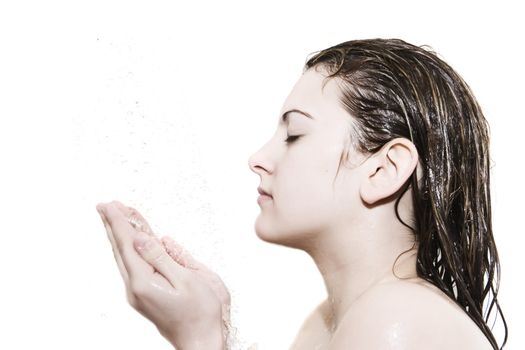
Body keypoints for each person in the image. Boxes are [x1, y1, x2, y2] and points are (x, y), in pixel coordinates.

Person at [96, 38, 508, 349]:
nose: (258, 158)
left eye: (294, 134)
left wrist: (198, 336)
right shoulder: (326, 323)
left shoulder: (395, 319)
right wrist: (214, 320)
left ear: (384, 169)